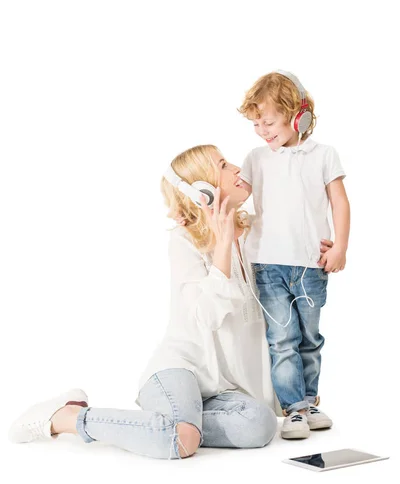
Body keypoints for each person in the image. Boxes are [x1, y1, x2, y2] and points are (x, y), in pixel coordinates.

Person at [9, 144, 334, 458]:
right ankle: (65, 418)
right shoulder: (185, 242)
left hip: (223, 393)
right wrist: (221, 244)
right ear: (202, 191)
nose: (237, 168)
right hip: (179, 370)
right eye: (222, 166)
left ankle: (167, 423)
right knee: (183, 441)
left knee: (259, 425)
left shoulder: (258, 235)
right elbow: (205, 317)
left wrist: (318, 249)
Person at [238, 70, 350, 440]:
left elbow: (339, 201)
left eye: (268, 121)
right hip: (268, 264)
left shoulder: (323, 155)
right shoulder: (256, 157)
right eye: (256, 123)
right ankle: (294, 409)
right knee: (281, 338)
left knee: (310, 337)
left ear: (297, 114)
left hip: (311, 266)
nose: (261, 130)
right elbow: (236, 195)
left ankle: (310, 399)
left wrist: (341, 246)